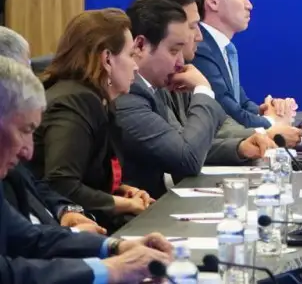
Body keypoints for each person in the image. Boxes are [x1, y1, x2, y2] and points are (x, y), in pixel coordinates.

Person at [0, 54, 175, 284]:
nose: (28, 151)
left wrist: (115, 246)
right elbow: (7, 274)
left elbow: (29, 238)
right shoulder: (75, 102)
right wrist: (112, 269)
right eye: (24, 130)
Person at [112, 0, 275, 199]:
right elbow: (186, 157)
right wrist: (203, 90)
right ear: (140, 46)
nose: (181, 61)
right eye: (174, 50)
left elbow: (183, 142)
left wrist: (239, 148)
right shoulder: (130, 97)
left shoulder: (154, 86)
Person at [29, 9, 154, 231]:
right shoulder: (73, 102)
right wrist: (124, 204)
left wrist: (122, 190)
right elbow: (61, 184)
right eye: (130, 55)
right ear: (107, 59)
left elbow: (87, 177)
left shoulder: (98, 99)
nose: (136, 66)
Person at [138, 0, 302, 145]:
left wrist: (266, 117)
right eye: (192, 26)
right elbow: (184, 148)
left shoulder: (182, 71)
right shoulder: (145, 90)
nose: (199, 36)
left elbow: (221, 121)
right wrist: (270, 129)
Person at [0, 27, 105, 234]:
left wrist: (65, 210)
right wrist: (75, 236)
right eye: (25, 72)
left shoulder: (11, 163)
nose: (28, 151)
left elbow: (33, 184)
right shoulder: (73, 100)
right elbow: (23, 244)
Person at [185, 0, 297, 129]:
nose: (249, 5)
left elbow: (241, 103)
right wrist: (275, 122)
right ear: (213, 1)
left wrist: (268, 109)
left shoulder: (222, 48)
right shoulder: (200, 49)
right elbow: (228, 113)